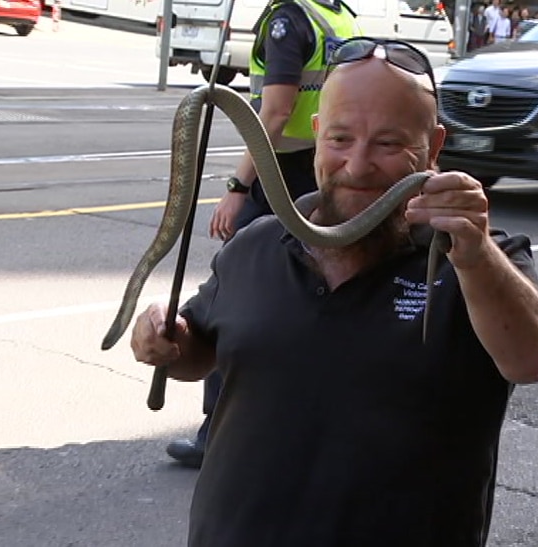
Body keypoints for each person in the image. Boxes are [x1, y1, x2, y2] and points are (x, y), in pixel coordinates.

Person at [133, 37, 538, 546]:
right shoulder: (258, 244)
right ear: (316, 136)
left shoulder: (477, 260)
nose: (357, 165)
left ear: (434, 147)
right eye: (340, 139)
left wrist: (475, 253)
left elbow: (530, 361)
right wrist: (163, 334)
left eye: (388, 143)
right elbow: (196, 350)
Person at [164, 0, 360, 468]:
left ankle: (218, 431)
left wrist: (238, 186)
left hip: (280, 176)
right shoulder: (335, 14)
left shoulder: (288, 20)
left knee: (237, 297)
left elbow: (274, 113)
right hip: (318, 175)